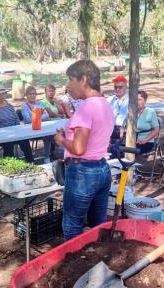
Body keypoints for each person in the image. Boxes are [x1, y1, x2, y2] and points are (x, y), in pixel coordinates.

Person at [54, 60, 114, 240]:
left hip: (82, 173)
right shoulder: (105, 105)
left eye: (70, 79)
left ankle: (74, 266)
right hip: (102, 168)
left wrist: (62, 140)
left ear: (83, 80)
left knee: (72, 227)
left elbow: (79, 149)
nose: (67, 85)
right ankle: (98, 261)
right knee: (99, 225)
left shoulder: (85, 108)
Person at [0, 85, 34, 163]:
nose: (1, 96)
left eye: (3, 94)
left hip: (15, 132)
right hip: (1, 135)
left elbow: (16, 120)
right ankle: (9, 165)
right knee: (9, 143)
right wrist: (7, 134)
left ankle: (31, 162)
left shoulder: (10, 106)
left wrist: (16, 131)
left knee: (24, 140)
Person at [21, 85, 53, 162]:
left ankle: (46, 156)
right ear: (26, 95)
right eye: (30, 94)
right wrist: (39, 114)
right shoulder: (24, 106)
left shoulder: (39, 103)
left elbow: (47, 116)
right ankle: (30, 160)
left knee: (48, 135)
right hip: (30, 130)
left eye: (34, 94)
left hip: (41, 127)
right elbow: (28, 120)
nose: (32, 96)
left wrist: (36, 116)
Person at [107, 75, 129, 141]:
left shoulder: (132, 100)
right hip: (110, 130)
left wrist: (125, 128)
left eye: (120, 87)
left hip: (126, 130)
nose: (117, 89)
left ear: (126, 87)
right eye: (115, 87)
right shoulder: (109, 100)